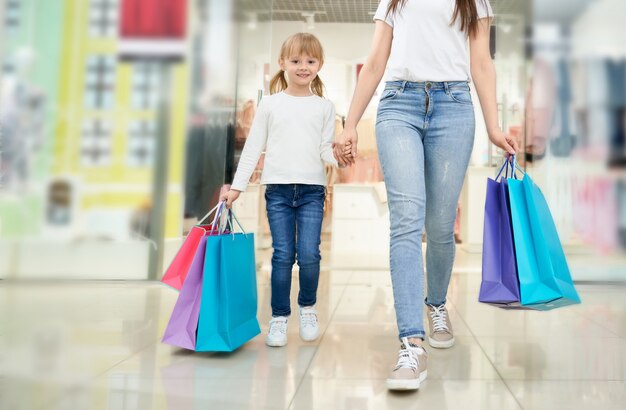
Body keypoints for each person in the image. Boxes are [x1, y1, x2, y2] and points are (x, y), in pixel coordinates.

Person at [333, 0, 519, 391]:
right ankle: (411, 344)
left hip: (454, 107)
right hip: (398, 104)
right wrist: (349, 123)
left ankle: (436, 303)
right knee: (406, 220)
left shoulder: (474, 1)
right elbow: (376, 61)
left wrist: (493, 125)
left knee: (439, 225)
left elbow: (481, 63)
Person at [220, 33, 351, 347]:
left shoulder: (324, 107)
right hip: (277, 190)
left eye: (310, 61)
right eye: (296, 61)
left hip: (312, 191)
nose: (303, 67)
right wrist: (237, 188)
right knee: (282, 255)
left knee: (308, 255)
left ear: (319, 64)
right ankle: (279, 317)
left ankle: (307, 308)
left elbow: (324, 151)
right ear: (282, 64)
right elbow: (253, 149)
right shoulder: (269, 104)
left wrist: (341, 159)